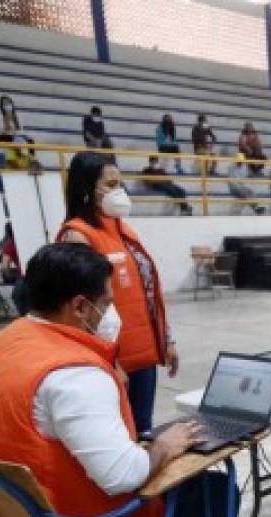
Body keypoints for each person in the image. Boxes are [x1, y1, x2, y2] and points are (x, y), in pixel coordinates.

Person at [0, 242, 247, 517]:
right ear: (79, 307)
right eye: (107, 304)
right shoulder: (74, 376)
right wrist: (163, 446)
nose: (111, 313)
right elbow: (122, 477)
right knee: (216, 488)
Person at [59, 152, 176, 434]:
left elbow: (148, 291)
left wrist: (166, 339)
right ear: (87, 188)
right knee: (124, 437)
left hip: (144, 356)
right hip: (114, 362)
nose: (119, 191)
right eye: (110, 185)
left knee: (144, 432)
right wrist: (108, 362)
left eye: (120, 184)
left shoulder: (124, 230)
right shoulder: (78, 236)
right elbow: (81, 312)